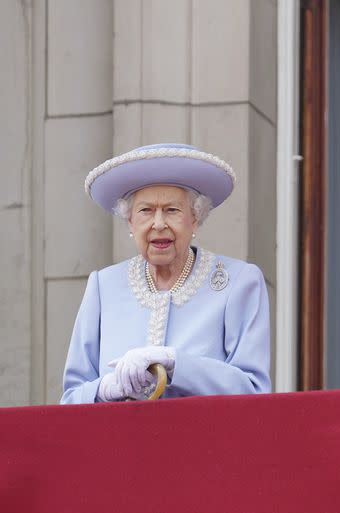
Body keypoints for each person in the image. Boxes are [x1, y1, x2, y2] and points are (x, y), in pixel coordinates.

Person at [61, 143, 271, 403]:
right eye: (145, 211)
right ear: (130, 221)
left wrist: (175, 363)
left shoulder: (238, 282)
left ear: (195, 218)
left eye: (172, 210)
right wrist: (104, 389)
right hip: (118, 442)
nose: (158, 224)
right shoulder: (103, 287)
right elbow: (70, 399)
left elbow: (254, 391)